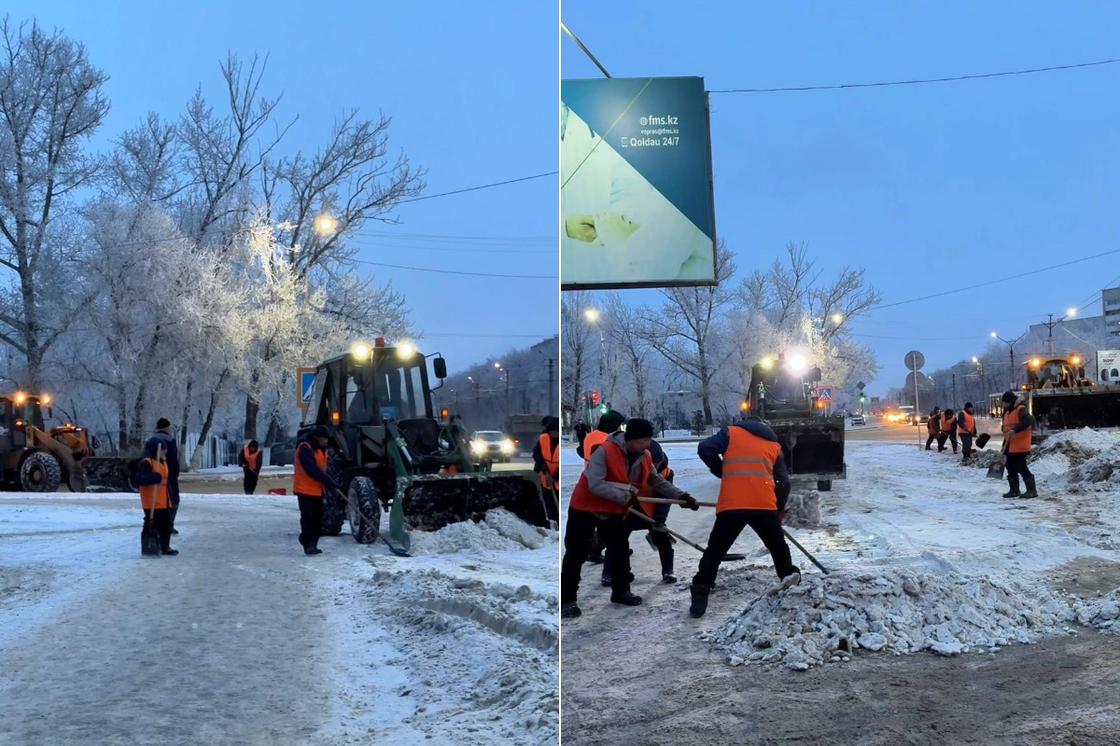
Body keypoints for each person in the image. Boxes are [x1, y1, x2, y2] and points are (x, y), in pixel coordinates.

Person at [561, 418, 697, 618]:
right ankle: (567, 600)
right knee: (577, 552)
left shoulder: (645, 455)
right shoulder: (604, 451)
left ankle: (621, 591)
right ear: (630, 439)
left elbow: (655, 480)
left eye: (649, 440)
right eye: (644, 440)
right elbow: (595, 484)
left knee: (619, 549)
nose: (647, 444)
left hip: (614, 507)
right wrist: (625, 496)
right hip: (585, 506)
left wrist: (681, 496)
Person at [690, 415, 798, 618]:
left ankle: (701, 588)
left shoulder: (731, 433)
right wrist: (778, 510)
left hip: (733, 504)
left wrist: (720, 469)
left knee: (715, 550)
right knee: (778, 546)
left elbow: (705, 448)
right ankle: (789, 579)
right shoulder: (773, 444)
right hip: (763, 505)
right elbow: (784, 483)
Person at [292, 425, 340, 555]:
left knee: (318, 518)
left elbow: (323, 467)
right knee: (308, 518)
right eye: (324, 439)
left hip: (318, 490)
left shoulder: (321, 448)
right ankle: (307, 544)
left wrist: (329, 482)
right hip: (304, 489)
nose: (326, 441)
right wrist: (327, 481)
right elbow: (311, 469)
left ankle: (313, 544)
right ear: (316, 437)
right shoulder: (305, 447)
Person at [135, 437, 178, 556]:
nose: (165, 452)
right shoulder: (147, 462)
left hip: (164, 500)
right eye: (163, 449)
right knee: (151, 523)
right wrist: (153, 477)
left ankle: (165, 547)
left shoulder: (163, 463)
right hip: (152, 501)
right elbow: (140, 479)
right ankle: (148, 546)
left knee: (166, 524)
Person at [1000, 391, 1038, 499]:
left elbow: (1029, 420)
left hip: (1020, 445)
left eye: (1005, 402)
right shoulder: (1007, 413)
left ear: (1010, 401)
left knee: (1021, 466)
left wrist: (1015, 430)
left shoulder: (1021, 409)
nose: (1004, 405)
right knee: (1009, 466)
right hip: (1010, 445)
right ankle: (1014, 490)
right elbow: (1007, 431)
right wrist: (1004, 445)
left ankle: (1032, 490)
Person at [150, 418, 181, 534]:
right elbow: (173, 459)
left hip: (154, 475)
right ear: (167, 427)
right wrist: (175, 473)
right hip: (168, 475)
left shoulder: (151, 440)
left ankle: (156, 526)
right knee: (173, 500)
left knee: (158, 501)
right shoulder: (170, 440)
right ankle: (169, 525)